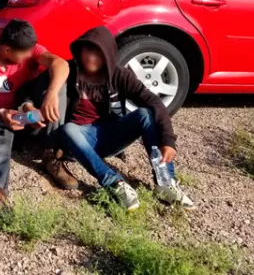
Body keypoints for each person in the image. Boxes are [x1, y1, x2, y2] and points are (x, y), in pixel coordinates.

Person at [59, 26, 195, 211]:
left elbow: (154, 102)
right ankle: (114, 183)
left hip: (110, 134)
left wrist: (168, 139)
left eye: (98, 52)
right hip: (79, 140)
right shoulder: (67, 71)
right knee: (69, 129)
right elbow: (34, 92)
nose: (91, 57)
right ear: (80, 49)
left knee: (145, 114)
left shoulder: (119, 75)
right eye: (88, 50)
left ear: (107, 54)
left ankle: (165, 182)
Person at [0, 19, 76, 221]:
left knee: (57, 83)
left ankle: (52, 155)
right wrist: (1, 114)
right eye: (23, 54)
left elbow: (61, 64)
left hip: (28, 112)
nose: (27, 57)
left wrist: (50, 95)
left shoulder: (30, 50)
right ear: (7, 50)